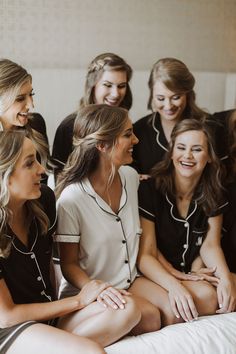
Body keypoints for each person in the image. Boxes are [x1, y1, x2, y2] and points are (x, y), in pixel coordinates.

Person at [0, 130, 140, 354]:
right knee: (91, 351)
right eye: (29, 164)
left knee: (129, 308)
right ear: (4, 175)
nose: (41, 170)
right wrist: (79, 301)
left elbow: (49, 268)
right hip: (9, 329)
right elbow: (7, 316)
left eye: (37, 159)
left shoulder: (43, 199)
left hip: (47, 315)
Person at [55, 104, 161, 334]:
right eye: (127, 134)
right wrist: (98, 289)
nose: (136, 140)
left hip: (130, 282)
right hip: (89, 291)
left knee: (173, 313)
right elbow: (68, 265)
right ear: (103, 145)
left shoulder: (131, 178)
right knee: (150, 318)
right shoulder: (71, 199)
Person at [137, 119, 236, 326]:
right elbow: (146, 256)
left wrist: (225, 279)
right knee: (197, 302)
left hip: (190, 274)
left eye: (197, 149)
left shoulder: (214, 193)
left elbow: (210, 245)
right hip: (155, 274)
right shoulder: (150, 190)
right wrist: (175, 285)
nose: (188, 156)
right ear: (171, 152)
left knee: (221, 289)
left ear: (209, 156)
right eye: (181, 148)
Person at [52, 52, 133, 181]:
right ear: (92, 85)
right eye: (107, 85)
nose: (116, 94)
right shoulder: (69, 126)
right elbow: (60, 178)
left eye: (121, 86)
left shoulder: (126, 125)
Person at [132, 57, 209, 175]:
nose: (168, 106)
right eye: (160, 98)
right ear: (152, 95)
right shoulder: (138, 131)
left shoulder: (209, 126)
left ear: (187, 94)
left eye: (175, 97)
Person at [0, 58, 51, 182]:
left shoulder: (36, 124)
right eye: (20, 98)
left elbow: (43, 181)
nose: (31, 105)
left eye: (31, 95)